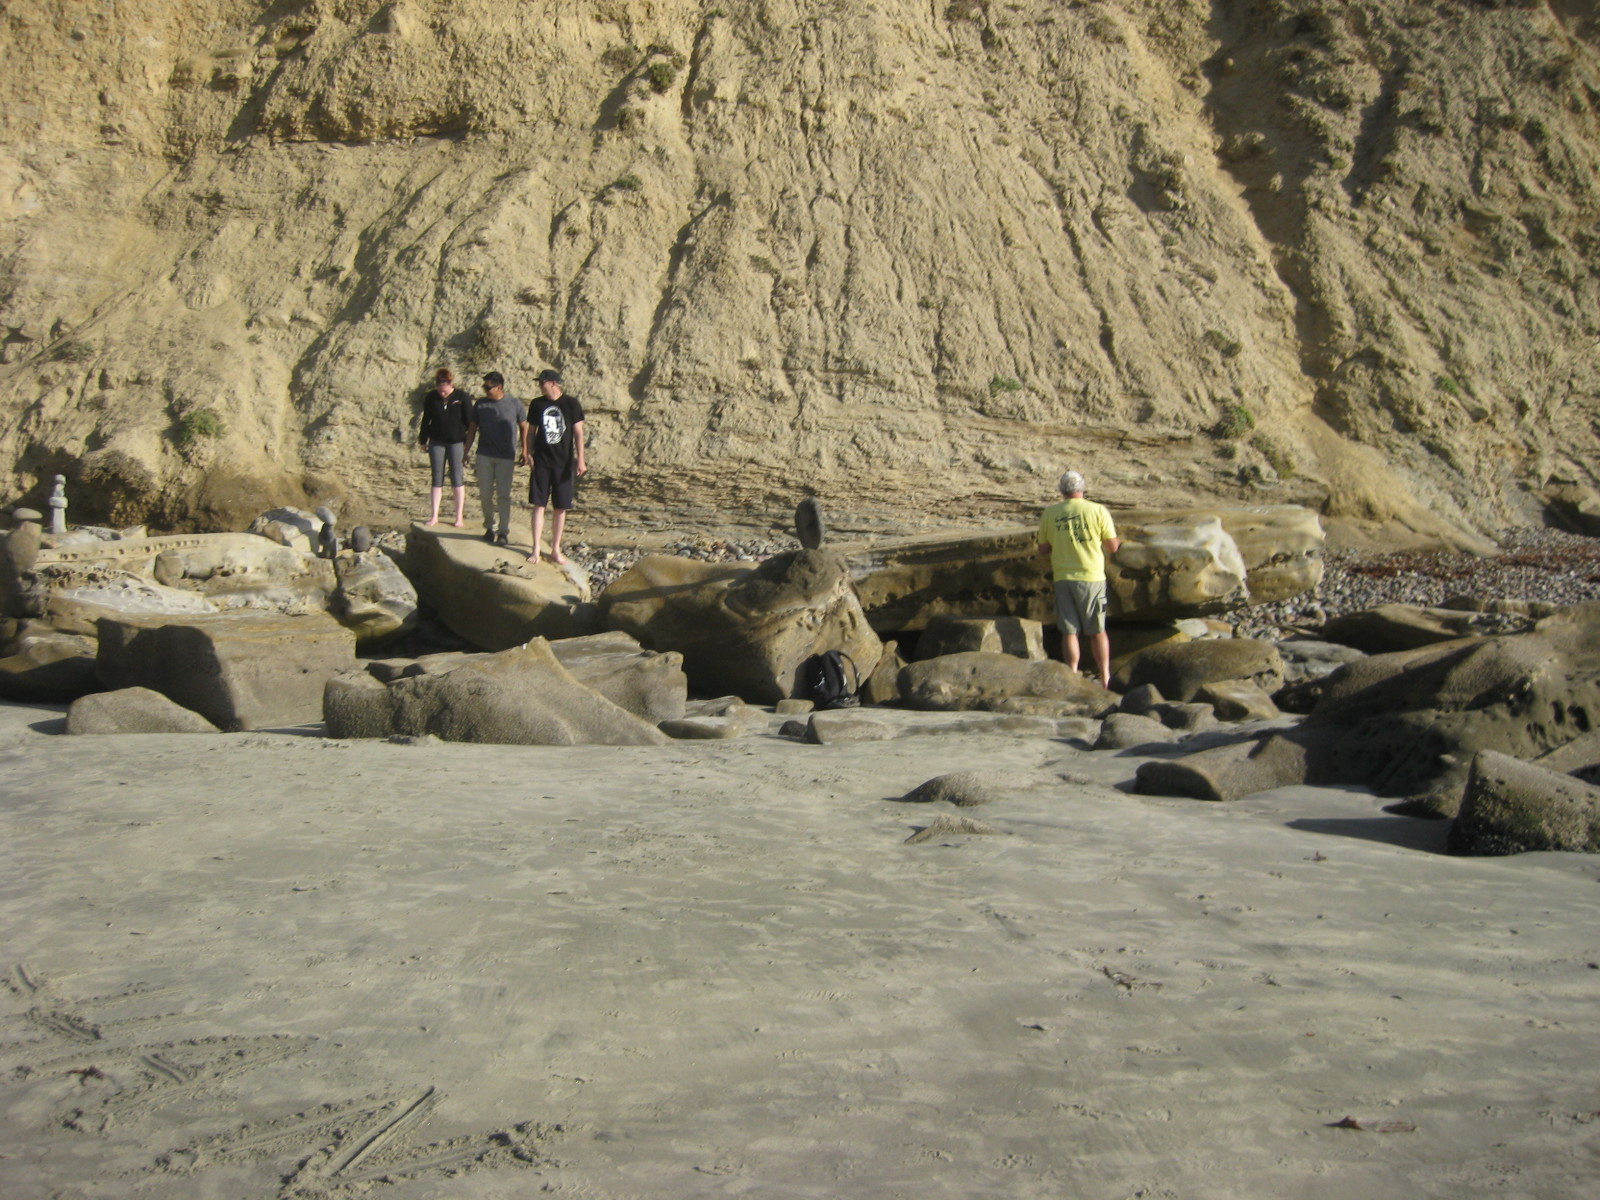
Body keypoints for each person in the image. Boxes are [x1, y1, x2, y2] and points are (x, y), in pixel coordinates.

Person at [1037, 470, 1121, 688]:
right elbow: (1112, 546)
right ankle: (1105, 677)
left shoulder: (1050, 513)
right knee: (1097, 630)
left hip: (1063, 576)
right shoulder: (1098, 510)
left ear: (1061, 490)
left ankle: (1072, 675)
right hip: (1091, 576)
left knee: (1069, 631)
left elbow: (1043, 548)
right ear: (1082, 488)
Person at [523, 368, 586, 565]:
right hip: (541, 461)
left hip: (563, 462)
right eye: (539, 383)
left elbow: (578, 433)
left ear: (554, 383)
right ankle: (535, 549)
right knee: (539, 505)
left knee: (560, 507)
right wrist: (527, 452)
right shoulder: (537, 404)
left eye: (543, 382)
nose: (540, 386)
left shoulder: (571, 403)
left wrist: (581, 459)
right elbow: (531, 431)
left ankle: (555, 549)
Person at [463, 371, 528, 545]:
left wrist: (525, 450)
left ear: (499, 387)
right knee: (485, 494)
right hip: (484, 455)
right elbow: (472, 429)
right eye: (484, 386)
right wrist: (466, 451)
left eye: (488, 387)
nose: (485, 390)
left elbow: (524, 427)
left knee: (503, 495)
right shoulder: (480, 404)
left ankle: (503, 531)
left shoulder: (514, 404)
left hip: (506, 456)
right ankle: (489, 527)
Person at [417, 368, 470, 527]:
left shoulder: (461, 397)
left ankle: (459, 517)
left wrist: (468, 442)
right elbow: (426, 419)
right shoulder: (432, 397)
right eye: (439, 388)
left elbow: (469, 421)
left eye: (444, 388)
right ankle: (434, 516)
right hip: (436, 442)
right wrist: (423, 439)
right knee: (437, 478)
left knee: (457, 478)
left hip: (456, 442)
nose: (442, 392)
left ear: (450, 384)